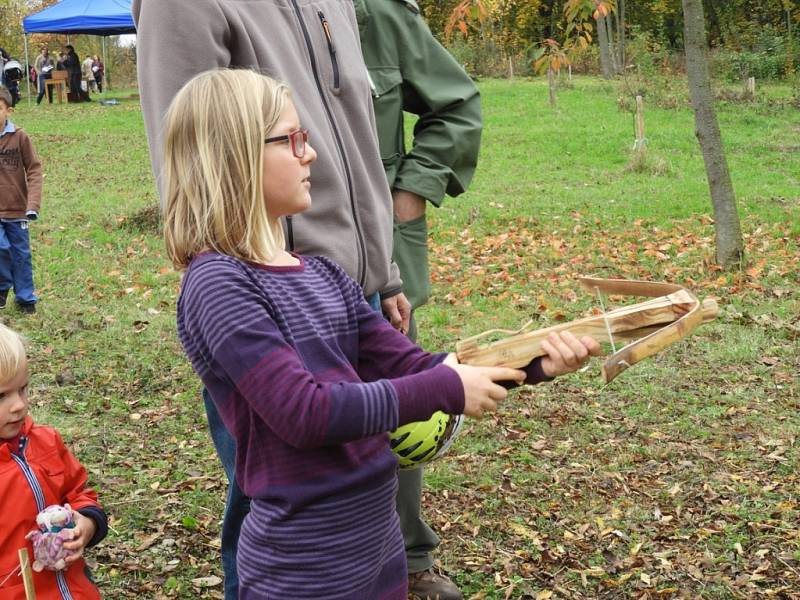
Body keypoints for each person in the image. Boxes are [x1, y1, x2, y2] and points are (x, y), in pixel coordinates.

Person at [163, 68, 600, 599]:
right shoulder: (219, 283)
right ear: (232, 155)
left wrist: (533, 364)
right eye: (292, 139)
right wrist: (449, 387)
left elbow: (415, 365)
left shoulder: (321, 274)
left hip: (379, 548)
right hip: (304, 570)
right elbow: (305, 413)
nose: (311, 154)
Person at [132, 1, 411, 596]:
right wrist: (243, 273)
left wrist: (381, 274)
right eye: (294, 143)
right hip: (263, 305)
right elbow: (198, 150)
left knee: (359, 486)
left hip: (342, 286)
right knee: (283, 500)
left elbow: (355, 132)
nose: (306, 152)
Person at [358, 0, 483, 595]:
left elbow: (457, 104)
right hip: (276, 246)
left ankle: (409, 560)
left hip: (383, 259)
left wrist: (410, 192)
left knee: (397, 407)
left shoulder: (375, 12)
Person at [0, 323, 108, 599]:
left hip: (73, 587)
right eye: (2, 396)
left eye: (22, 389)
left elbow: (80, 494)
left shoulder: (46, 441)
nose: (19, 405)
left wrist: (87, 523)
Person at [0, 86, 41, 314]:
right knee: (0, 247)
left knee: (21, 255)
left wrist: (32, 205)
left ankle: (26, 299)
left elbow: (34, 170)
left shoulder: (19, 137)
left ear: (9, 110)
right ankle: (2, 286)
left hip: (18, 211)